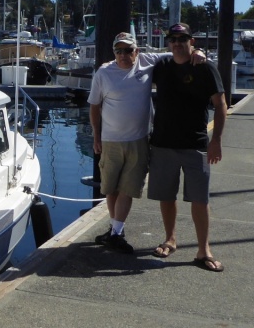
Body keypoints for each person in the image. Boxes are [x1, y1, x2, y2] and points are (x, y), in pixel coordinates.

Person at [88, 31, 205, 253]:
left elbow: (177, 52)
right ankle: (116, 232)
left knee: (128, 188)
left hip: (139, 139)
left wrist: (198, 51)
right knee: (111, 189)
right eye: (119, 51)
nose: (123, 55)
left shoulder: (148, 61)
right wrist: (96, 136)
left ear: (137, 51)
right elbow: (94, 105)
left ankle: (115, 233)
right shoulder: (104, 72)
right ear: (114, 53)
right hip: (110, 140)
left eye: (128, 50)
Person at [148, 23, 227, 272]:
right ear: (168, 43)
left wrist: (216, 141)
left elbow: (221, 104)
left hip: (196, 144)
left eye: (183, 39)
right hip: (163, 143)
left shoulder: (205, 67)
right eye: (173, 39)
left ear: (191, 41)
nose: (177, 43)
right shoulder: (161, 66)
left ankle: (204, 249)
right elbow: (130, 59)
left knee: (199, 199)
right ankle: (170, 239)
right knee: (166, 195)